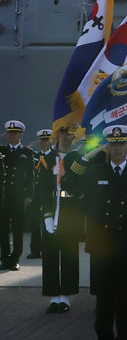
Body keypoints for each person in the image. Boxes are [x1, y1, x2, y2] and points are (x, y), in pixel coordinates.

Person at [69, 125, 127, 340]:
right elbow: (70, 180)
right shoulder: (96, 172)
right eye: (113, 144)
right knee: (104, 296)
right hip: (102, 243)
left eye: (121, 144)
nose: (117, 148)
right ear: (108, 147)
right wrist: (87, 155)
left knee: (125, 296)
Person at [36, 125, 82, 313]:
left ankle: (66, 297)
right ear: (57, 135)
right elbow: (41, 190)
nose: (65, 137)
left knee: (70, 255)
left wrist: (66, 177)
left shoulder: (77, 159)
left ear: (74, 136)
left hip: (70, 211)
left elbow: (81, 189)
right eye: (62, 133)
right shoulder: (47, 159)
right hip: (51, 212)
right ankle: (54, 297)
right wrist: (46, 215)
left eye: (69, 133)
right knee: (51, 255)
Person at [0, 120, 35, 270]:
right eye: (10, 133)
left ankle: (15, 259)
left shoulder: (27, 153)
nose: (12, 135)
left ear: (21, 134)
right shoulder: (1, 151)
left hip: (19, 197)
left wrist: (29, 196)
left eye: (15, 133)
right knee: (2, 229)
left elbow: (31, 177)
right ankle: (4, 258)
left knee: (17, 229)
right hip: (3, 196)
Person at [29, 129, 55, 258]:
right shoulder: (34, 155)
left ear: (51, 141)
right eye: (42, 140)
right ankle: (35, 250)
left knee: (47, 222)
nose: (44, 143)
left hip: (49, 194)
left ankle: (47, 249)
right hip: (36, 194)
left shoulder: (56, 156)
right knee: (34, 222)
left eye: (47, 140)